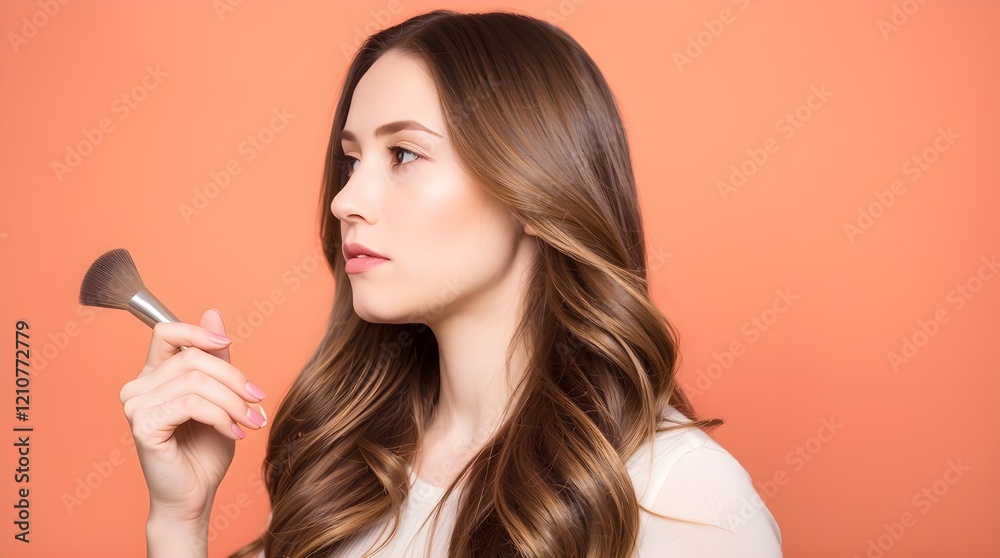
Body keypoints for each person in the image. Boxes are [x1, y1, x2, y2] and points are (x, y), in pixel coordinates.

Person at [119, 10, 782, 558]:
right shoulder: (348, 469)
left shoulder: (682, 499)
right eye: (351, 161)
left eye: (403, 154)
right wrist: (179, 521)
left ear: (532, 185)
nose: (344, 201)